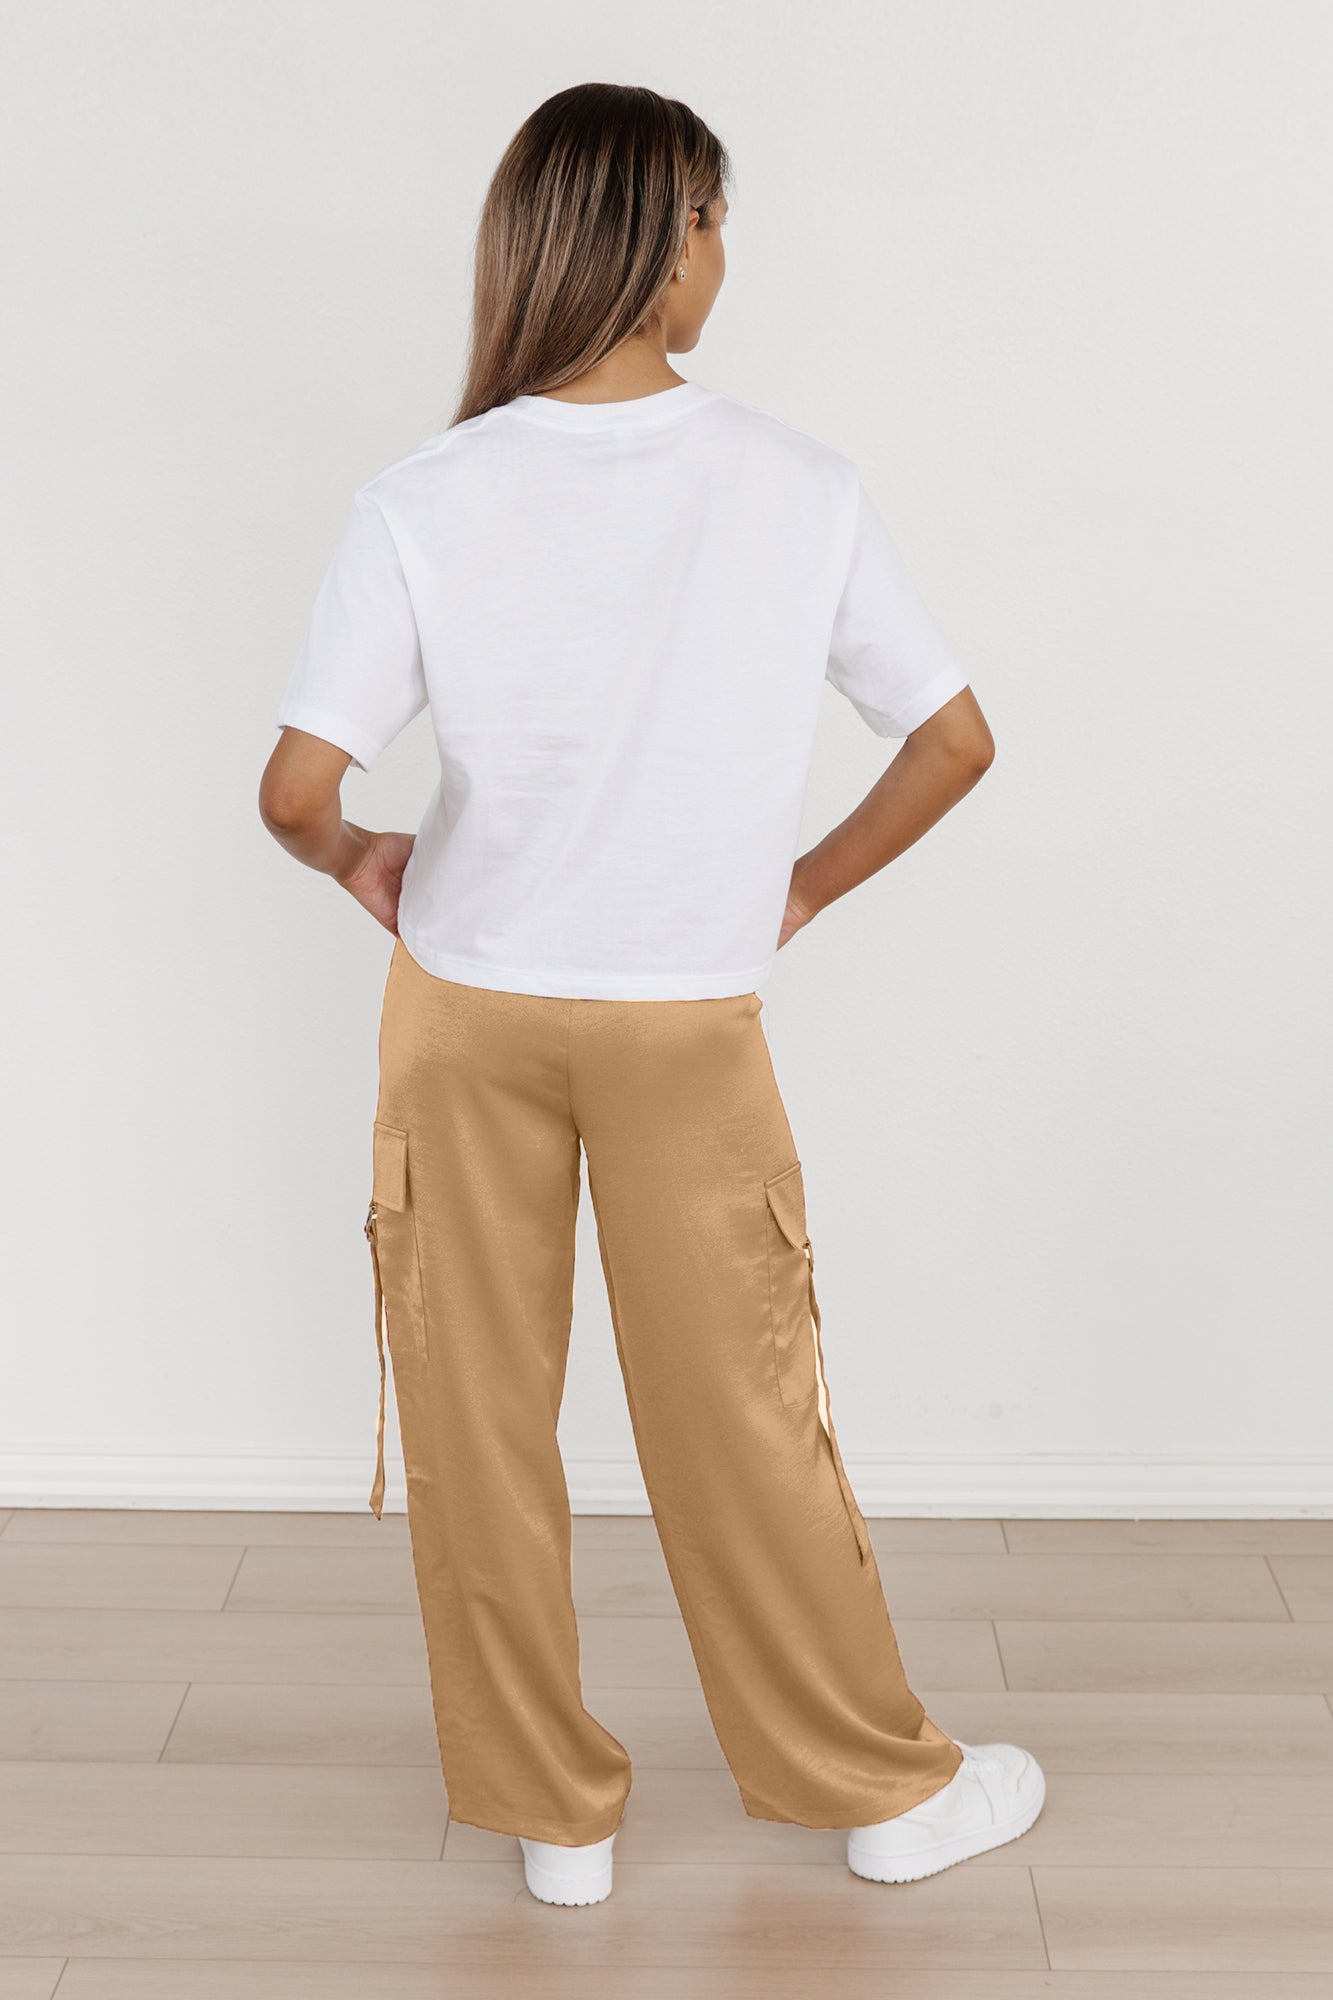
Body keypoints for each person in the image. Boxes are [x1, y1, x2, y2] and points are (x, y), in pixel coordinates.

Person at [258, 81, 1044, 1909]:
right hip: (686, 1022)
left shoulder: (425, 496)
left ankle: (555, 1821)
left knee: (477, 1426)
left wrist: (360, 860)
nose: (722, 254)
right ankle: (877, 1792)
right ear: (668, 240)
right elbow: (954, 741)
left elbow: (296, 792)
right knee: (745, 1421)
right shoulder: (795, 485)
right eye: (716, 217)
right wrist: (799, 887)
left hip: (463, 1012)